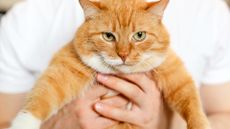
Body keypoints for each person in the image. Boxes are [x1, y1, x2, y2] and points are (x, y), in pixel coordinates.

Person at [0, 0, 230, 129]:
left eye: (138, 37)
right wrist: (57, 125)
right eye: (109, 37)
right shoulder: (25, 18)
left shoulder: (211, 11)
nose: (123, 53)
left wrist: (165, 123)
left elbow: (225, 114)